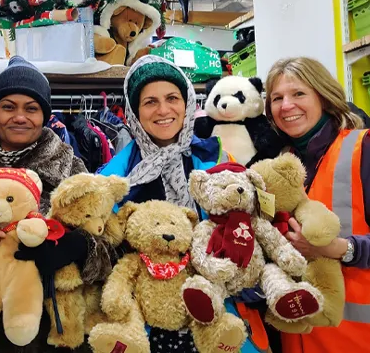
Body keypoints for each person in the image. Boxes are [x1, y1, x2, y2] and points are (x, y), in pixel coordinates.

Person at [98, 55, 269, 353]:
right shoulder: (115, 177)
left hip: (216, 309)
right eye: (150, 102)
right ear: (134, 112)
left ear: (187, 102)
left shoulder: (215, 159)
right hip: (149, 321)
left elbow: (247, 226)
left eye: (172, 98)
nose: (163, 110)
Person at [0, 56, 106, 352]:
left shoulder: (69, 165)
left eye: (31, 108)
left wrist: (77, 246)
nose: (20, 117)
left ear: (44, 115)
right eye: (8, 107)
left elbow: (105, 239)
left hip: (52, 322)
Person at [264, 57, 370, 353]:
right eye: (277, 98)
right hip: (303, 338)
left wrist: (338, 249)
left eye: (298, 94)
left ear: (324, 98)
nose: (286, 105)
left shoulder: (364, 150)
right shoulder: (281, 164)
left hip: (366, 341)